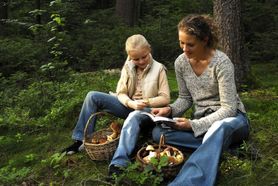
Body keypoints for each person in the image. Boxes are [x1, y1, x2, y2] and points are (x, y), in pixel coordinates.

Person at [149, 14, 250, 186]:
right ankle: (225, 148)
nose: (184, 49)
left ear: (204, 40)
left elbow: (229, 109)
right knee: (159, 133)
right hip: (203, 122)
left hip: (232, 121)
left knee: (219, 128)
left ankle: (186, 182)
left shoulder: (222, 63)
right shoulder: (181, 63)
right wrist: (170, 110)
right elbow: (185, 98)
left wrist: (193, 125)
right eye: (181, 42)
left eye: (190, 44)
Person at [62, 34, 170, 155]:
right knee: (92, 96)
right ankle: (80, 140)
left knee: (138, 115)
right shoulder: (128, 67)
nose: (140, 61)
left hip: (148, 111)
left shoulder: (159, 68)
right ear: (130, 56)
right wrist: (130, 103)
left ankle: (135, 142)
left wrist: (147, 102)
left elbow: (165, 98)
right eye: (135, 59)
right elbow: (121, 93)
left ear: (149, 49)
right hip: (129, 106)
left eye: (144, 57)